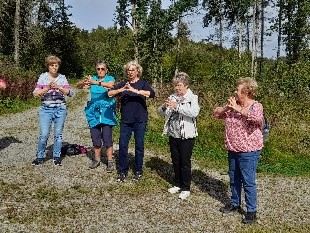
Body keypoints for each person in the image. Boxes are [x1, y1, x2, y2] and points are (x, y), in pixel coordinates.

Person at [213, 77, 264, 224]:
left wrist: (238, 109)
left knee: (248, 181)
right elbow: (216, 114)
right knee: (234, 179)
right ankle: (235, 203)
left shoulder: (256, 106)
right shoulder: (233, 105)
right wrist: (227, 108)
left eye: (238, 89)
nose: (235, 91)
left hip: (249, 151)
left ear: (247, 92)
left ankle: (251, 211)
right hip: (233, 149)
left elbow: (256, 119)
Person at [108, 60, 155, 182]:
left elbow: (152, 94)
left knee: (139, 146)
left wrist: (135, 91)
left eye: (132, 70)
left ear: (137, 71)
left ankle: (138, 170)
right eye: (128, 70)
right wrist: (121, 90)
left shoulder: (142, 83)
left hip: (140, 120)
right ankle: (123, 170)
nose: (130, 72)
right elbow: (109, 93)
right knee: (123, 145)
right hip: (126, 120)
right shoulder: (123, 84)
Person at [157, 72, 200, 200]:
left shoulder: (192, 98)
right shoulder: (172, 97)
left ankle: (186, 188)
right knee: (175, 160)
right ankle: (177, 184)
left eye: (179, 85)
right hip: (173, 134)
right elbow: (160, 113)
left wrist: (177, 107)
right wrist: (164, 107)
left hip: (186, 136)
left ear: (186, 85)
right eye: (175, 85)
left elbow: (194, 112)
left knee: (184, 162)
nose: (177, 88)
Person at [32, 55, 72, 166]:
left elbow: (70, 93)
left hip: (60, 109)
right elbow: (35, 93)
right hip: (46, 110)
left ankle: (56, 157)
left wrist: (59, 87)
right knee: (44, 134)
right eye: (52, 65)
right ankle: (40, 157)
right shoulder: (43, 77)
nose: (54, 67)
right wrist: (47, 88)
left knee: (58, 134)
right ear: (48, 66)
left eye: (56, 65)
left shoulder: (62, 77)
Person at [77, 60, 117, 171]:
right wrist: (84, 81)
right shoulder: (92, 79)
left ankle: (110, 161)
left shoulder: (110, 79)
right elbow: (78, 86)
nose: (100, 71)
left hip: (106, 112)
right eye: (98, 69)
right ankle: (97, 159)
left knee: (107, 138)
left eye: (102, 68)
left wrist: (95, 83)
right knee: (96, 138)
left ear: (106, 70)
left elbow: (111, 86)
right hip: (93, 112)